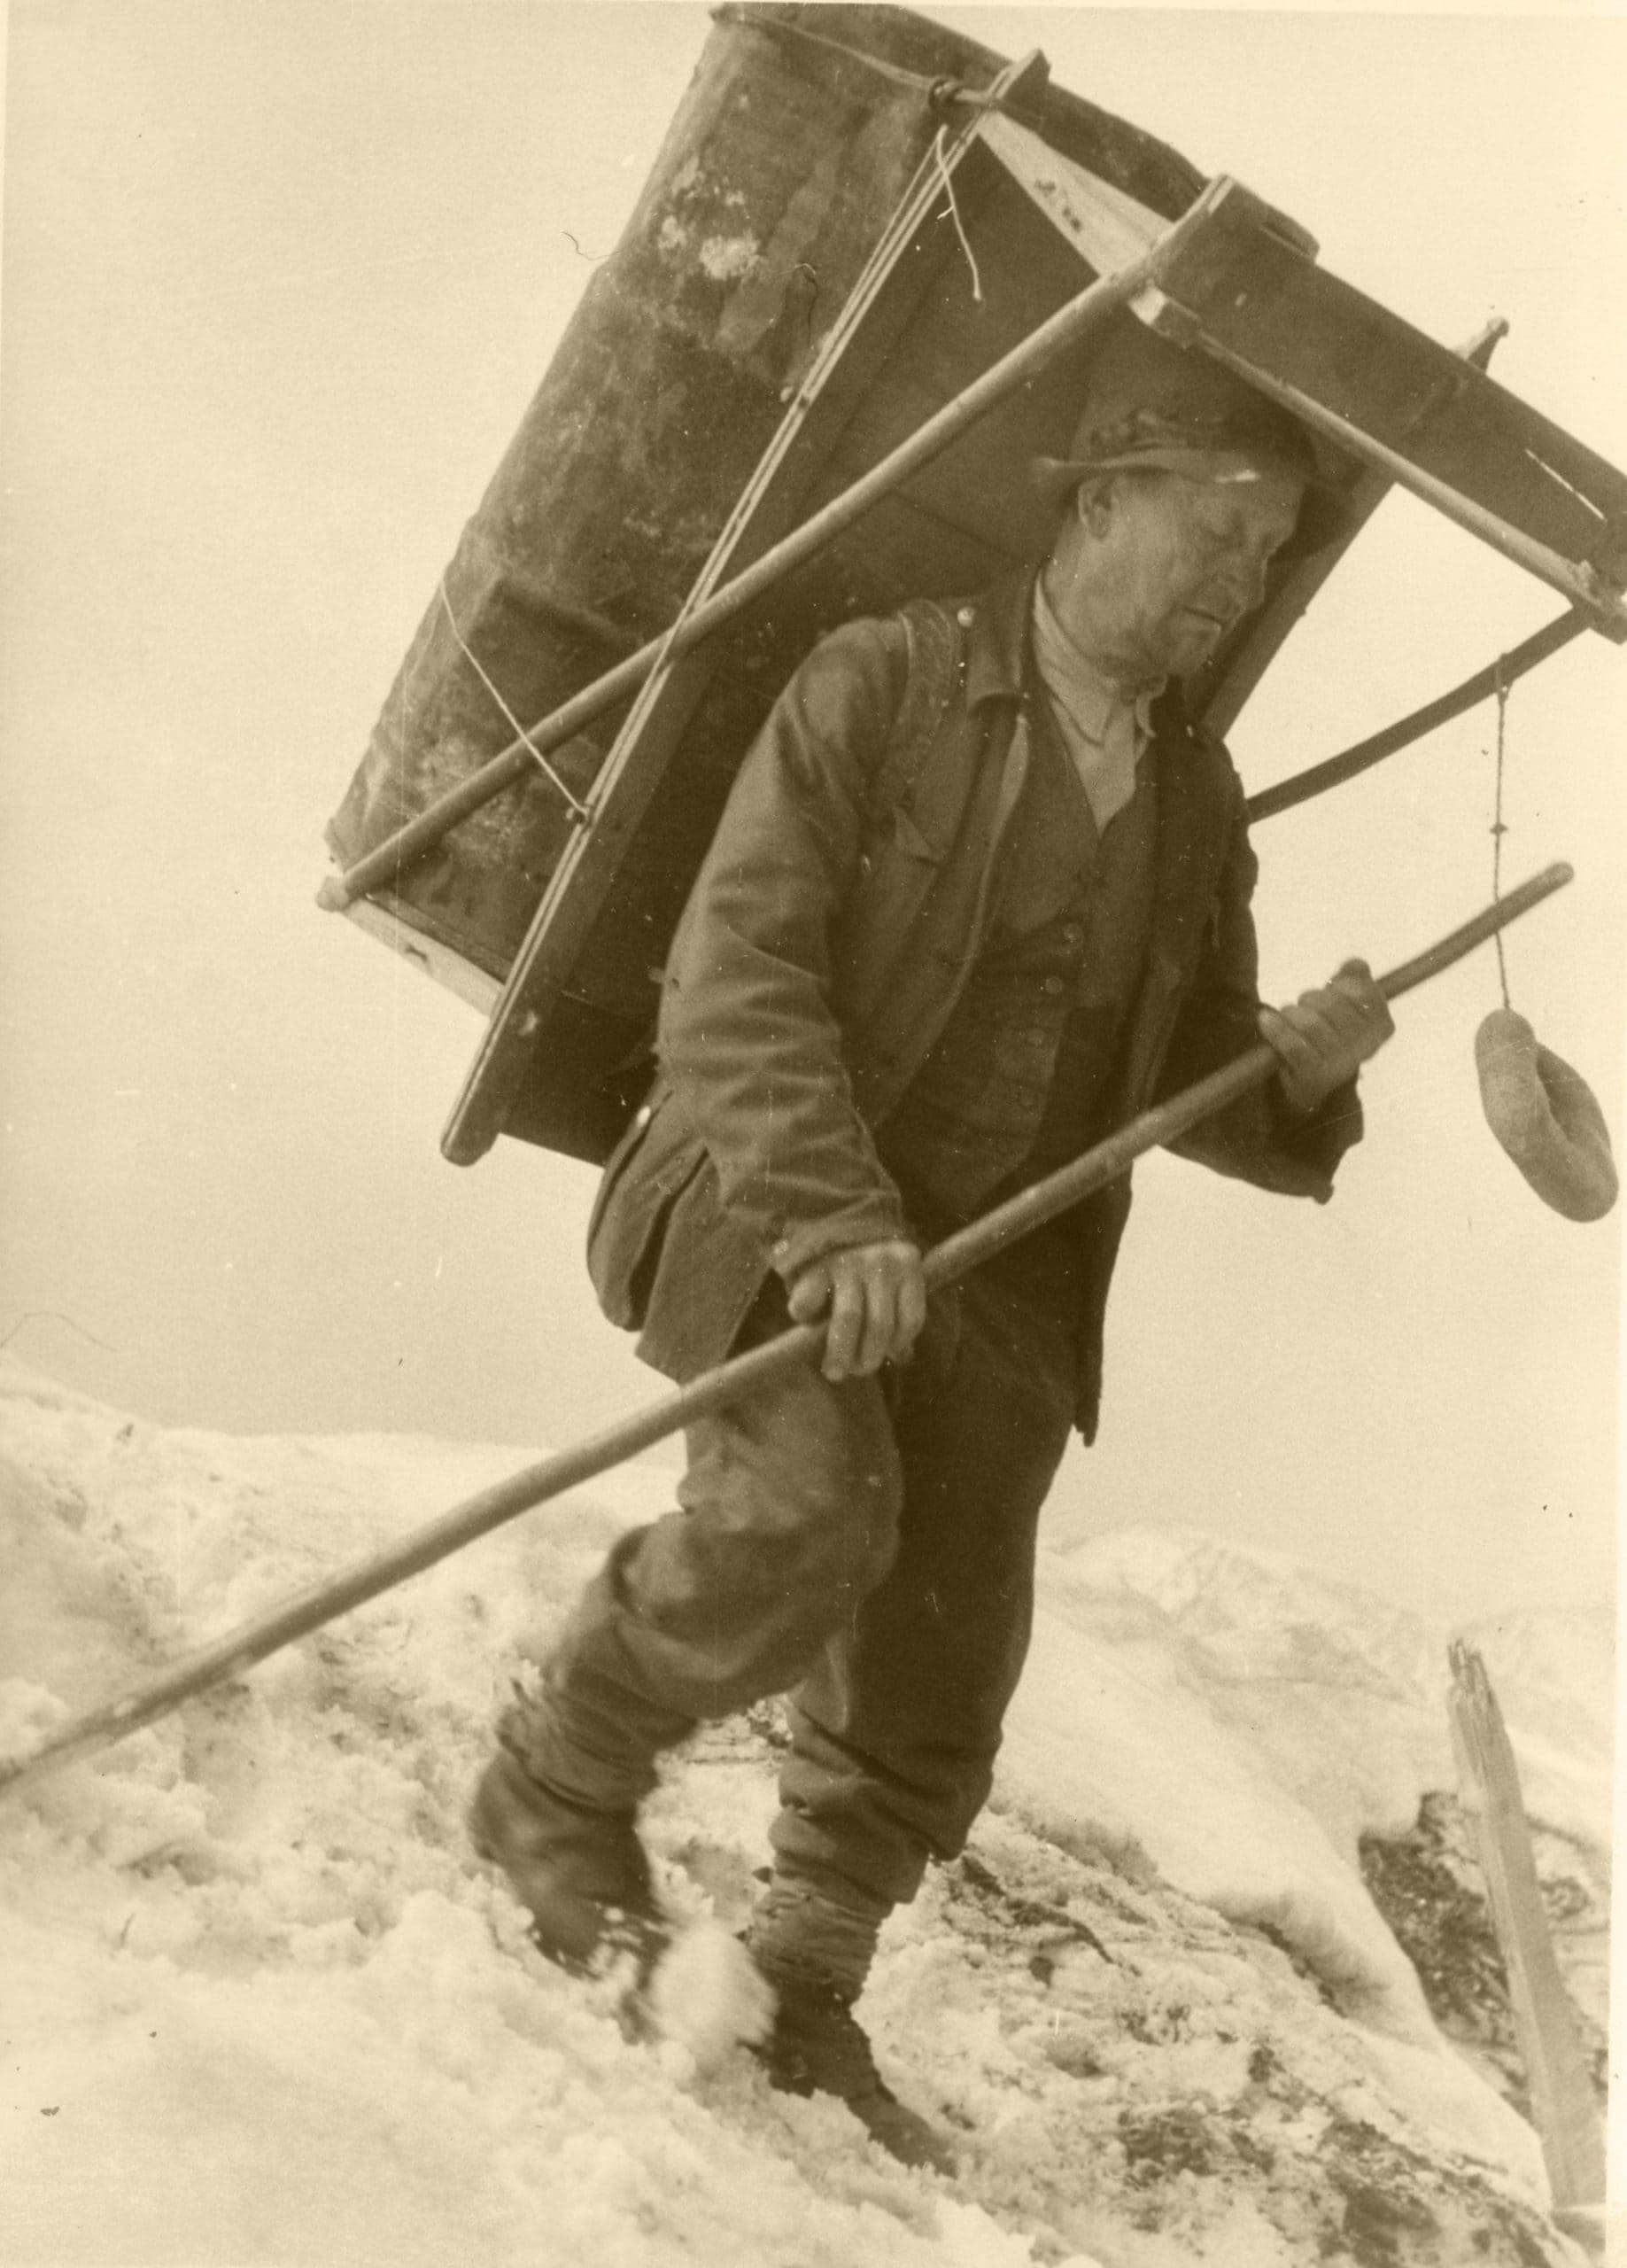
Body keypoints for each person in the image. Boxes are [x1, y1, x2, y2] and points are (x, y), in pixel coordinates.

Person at [469, 335, 1395, 2170]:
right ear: (1098, 505)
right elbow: (736, 977)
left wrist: (1288, 1071)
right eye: (1214, 529)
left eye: (1265, 550)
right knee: (800, 1519)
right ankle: (549, 1794)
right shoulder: (880, 682)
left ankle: (802, 1976)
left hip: (1001, 1265)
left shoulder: (1195, 796)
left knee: (951, 1649)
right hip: (757, 1191)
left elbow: (1175, 1061)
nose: (1234, 579)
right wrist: (836, 1218)